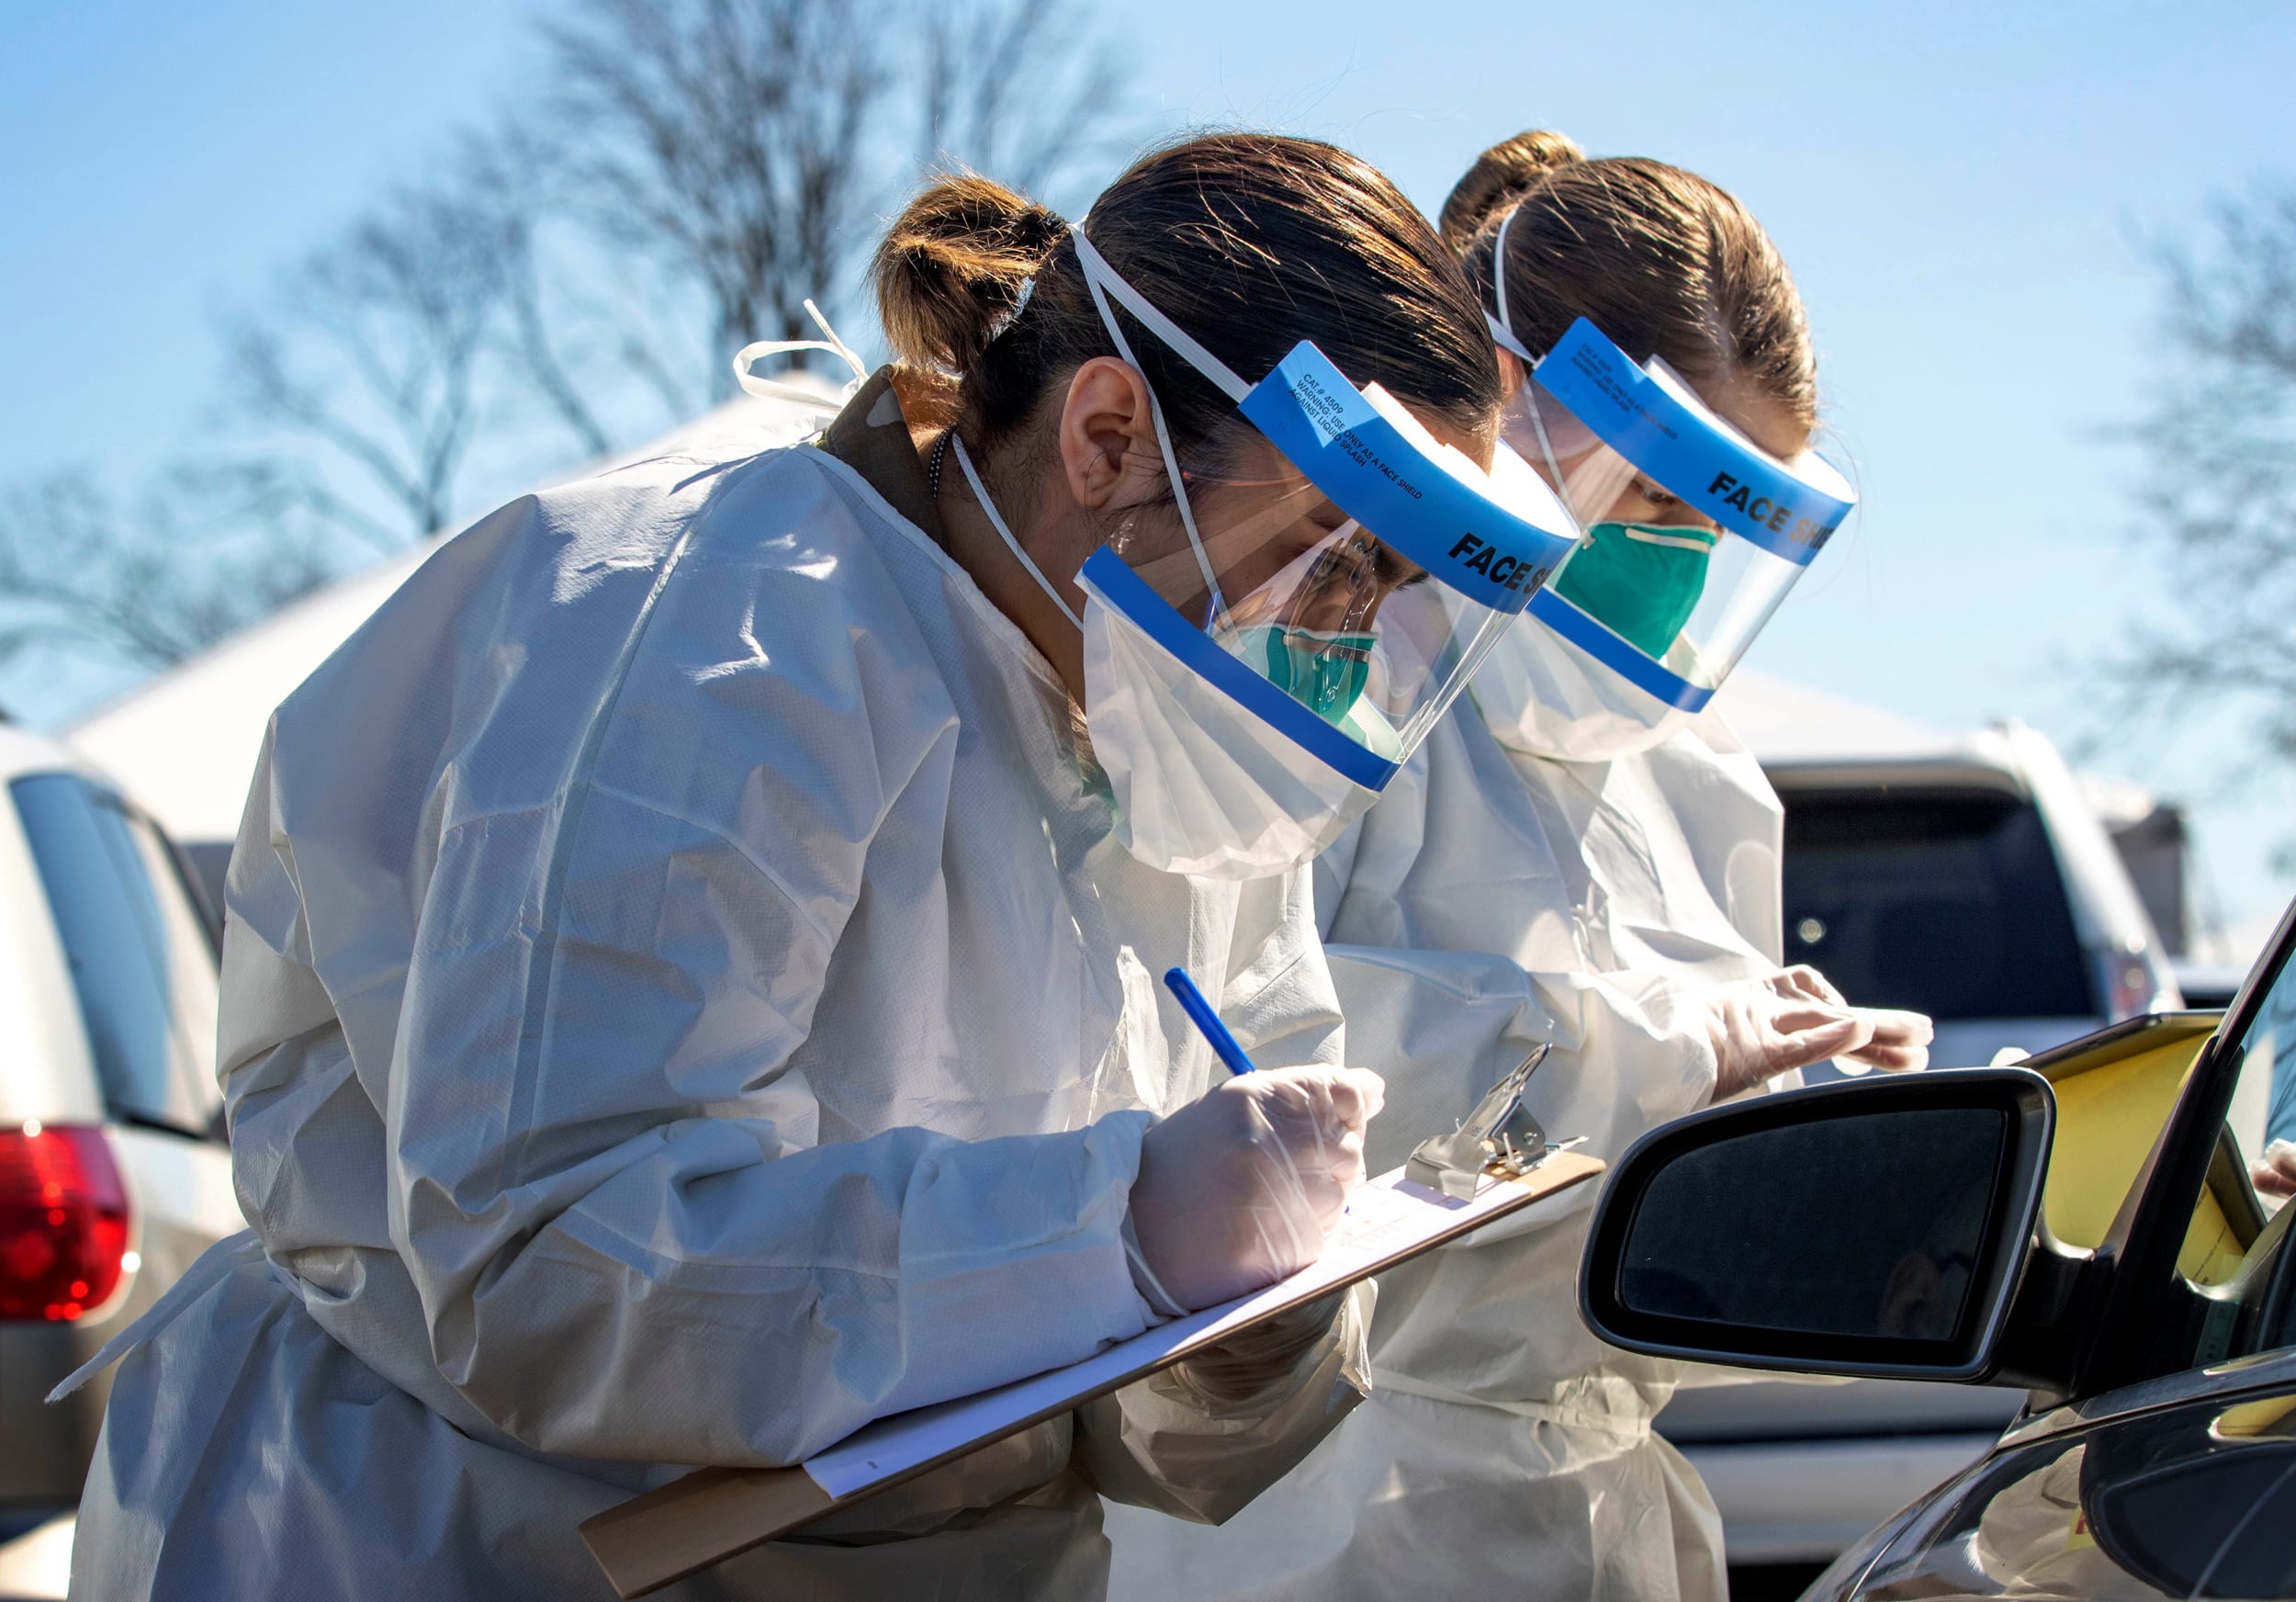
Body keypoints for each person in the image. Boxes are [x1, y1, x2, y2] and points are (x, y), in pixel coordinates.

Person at [60, 134, 1576, 1600]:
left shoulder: (1158, 729)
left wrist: (1254, 1337)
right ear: (1109, 434)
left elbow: (1126, 1388)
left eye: (1385, 586)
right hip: (455, 1544)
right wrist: (1116, 1228)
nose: (1342, 636)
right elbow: (553, 1275)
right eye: (1327, 548)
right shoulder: (720, 630)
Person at [1107, 130, 1933, 1602]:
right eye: (1656, 498)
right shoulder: (1324, 667)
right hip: (1326, 1513)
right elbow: (1214, 1058)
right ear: (1511, 402)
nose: (1674, 560)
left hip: (1596, 1505)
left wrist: (1818, 1127)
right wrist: (1664, 1059)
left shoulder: (1697, 769)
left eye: (1715, 522)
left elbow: (1645, 1267)